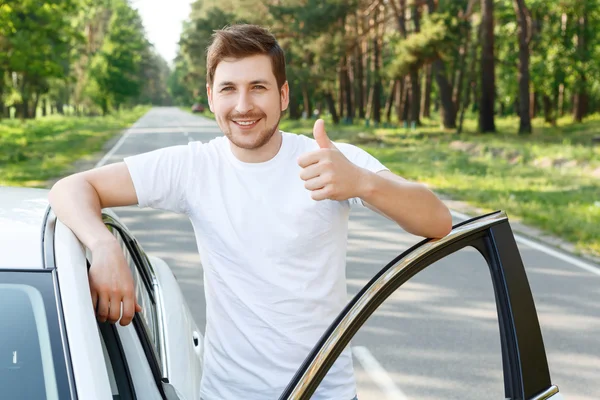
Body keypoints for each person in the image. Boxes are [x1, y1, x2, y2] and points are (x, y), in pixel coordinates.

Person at [49, 24, 452, 400]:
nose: (243, 105)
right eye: (229, 89)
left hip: (325, 391)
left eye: (258, 87)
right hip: (229, 393)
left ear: (283, 95)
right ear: (211, 96)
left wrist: (364, 182)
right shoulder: (194, 167)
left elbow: (438, 221)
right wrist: (103, 245)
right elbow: (71, 188)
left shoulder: (330, 159)